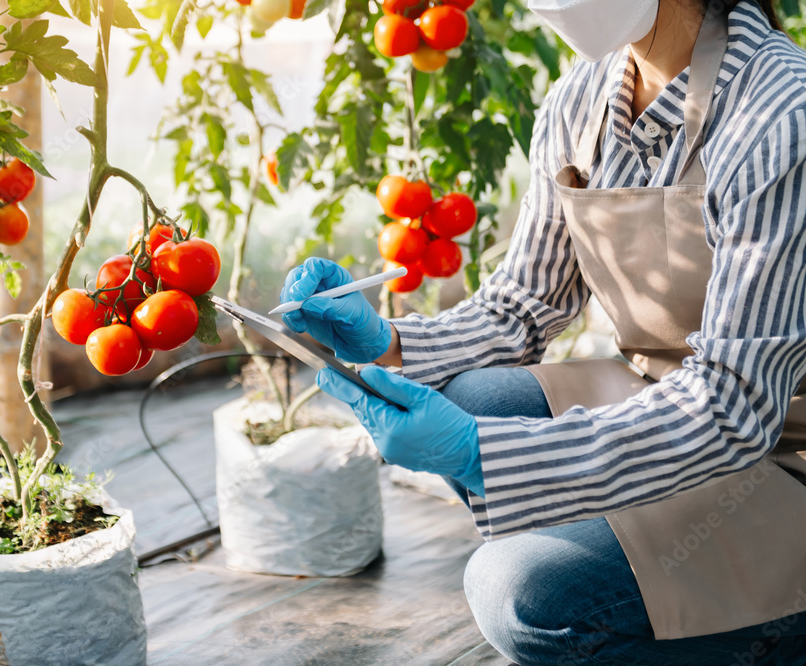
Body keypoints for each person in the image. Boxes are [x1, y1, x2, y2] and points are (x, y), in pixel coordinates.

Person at [279, 0, 806, 663]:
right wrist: (387, 342)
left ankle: (770, 629)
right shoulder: (582, 100)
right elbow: (523, 303)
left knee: (520, 591)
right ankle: (651, 569)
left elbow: (735, 403)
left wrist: (488, 457)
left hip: (776, 449)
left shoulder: (780, 113)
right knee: (473, 400)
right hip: (666, 401)